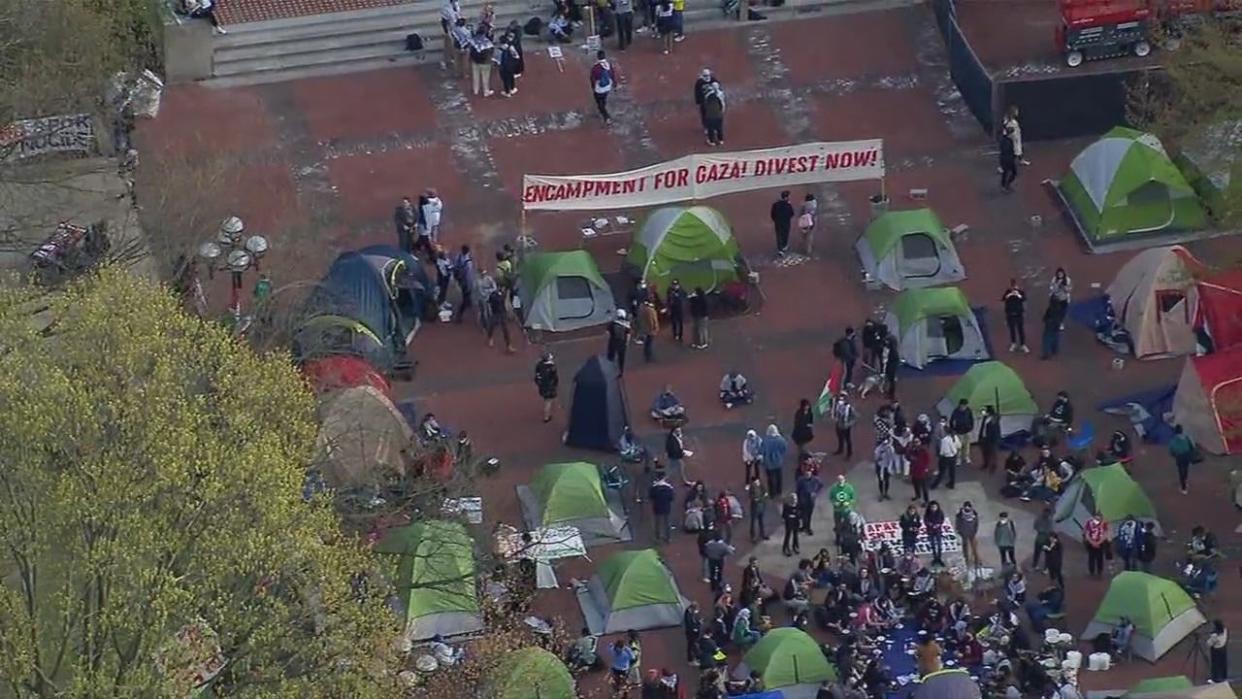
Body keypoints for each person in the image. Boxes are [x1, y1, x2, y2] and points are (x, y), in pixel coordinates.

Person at [1002, 278, 1029, 353]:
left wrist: (1018, 294)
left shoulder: (1020, 292)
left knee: (1020, 329)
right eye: (1012, 286)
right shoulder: (1008, 292)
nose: (1013, 287)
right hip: (1010, 314)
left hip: (1019, 313)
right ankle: (1013, 343)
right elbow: (1004, 298)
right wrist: (1010, 294)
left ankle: (1023, 344)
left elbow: (1023, 298)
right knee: (1012, 329)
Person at [649, 470, 676, 544]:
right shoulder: (669, 487)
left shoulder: (654, 487)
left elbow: (651, 497)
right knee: (667, 522)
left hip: (657, 507)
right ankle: (668, 538)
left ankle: (657, 538)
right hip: (666, 507)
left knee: (657, 523)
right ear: (664, 477)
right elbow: (671, 498)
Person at [589, 50, 616, 124]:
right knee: (603, 99)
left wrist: (593, 87)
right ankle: (603, 108)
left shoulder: (595, 67)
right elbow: (612, 75)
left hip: (599, 88)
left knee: (599, 102)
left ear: (597, 57)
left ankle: (606, 116)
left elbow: (592, 79)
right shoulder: (609, 65)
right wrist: (614, 84)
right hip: (607, 87)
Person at [796, 466, 823, 535]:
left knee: (809, 514)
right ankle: (805, 527)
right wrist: (798, 498)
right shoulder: (801, 480)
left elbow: (821, 485)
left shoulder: (815, 479)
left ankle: (806, 527)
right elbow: (798, 490)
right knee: (804, 514)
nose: (807, 475)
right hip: (803, 499)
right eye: (806, 474)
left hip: (811, 500)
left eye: (809, 474)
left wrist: (815, 492)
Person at [468, 28, 495, 97]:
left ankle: (475, 90)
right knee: (485, 77)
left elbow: (470, 50)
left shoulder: (473, 40)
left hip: (475, 61)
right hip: (485, 63)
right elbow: (491, 52)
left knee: (475, 76)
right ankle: (486, 91)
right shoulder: (488, 42)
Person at [761, 424, 788, 496]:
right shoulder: (781, 440)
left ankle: (772, 493)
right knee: (779, 477)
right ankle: (779, 491)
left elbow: (762, 451)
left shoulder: (765, 440)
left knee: (770, 478)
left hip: (768, 463)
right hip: (778, 461)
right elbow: (784, 449)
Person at [1168, 425, 1195, 495]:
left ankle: (1183, 488)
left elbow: (1171, 450)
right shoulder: (1186, 437)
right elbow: (1191, 446)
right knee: (1186, 469)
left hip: (1179, 456)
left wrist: (1174, 455)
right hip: (1187, 455)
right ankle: (1185, 481)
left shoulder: (1173, 440)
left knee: (1180, 471)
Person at [932, 425, 960, 490]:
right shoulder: (954, 437)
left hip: (945, 458)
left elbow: (942, 451)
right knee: (952, 471)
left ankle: (934, 485)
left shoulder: (944, 440)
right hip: (953, 457)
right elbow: (957, 447)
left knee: (941, 472)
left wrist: (940, 455)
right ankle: (951, 484)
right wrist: (954, 453)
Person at [533, 352, 558, 422]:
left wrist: (539, 383)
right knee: (548, 401)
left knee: (546, 399)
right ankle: (546, 417)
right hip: (549, 386)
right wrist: (555, 384)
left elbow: (537, 376)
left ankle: (547, 411)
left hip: (542, 386)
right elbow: (555, 377)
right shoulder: (552, 366)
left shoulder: (539, 365)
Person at [949, 398, 975, 466]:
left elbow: (971, 419)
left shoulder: (968, 410)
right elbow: (951, 421)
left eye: (965, 406)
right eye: (963, 405)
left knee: (967, 445)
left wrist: (971, 427)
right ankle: (958, 459)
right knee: (959, 446)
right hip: (959, 431)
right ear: (960, 405)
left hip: (967, 431)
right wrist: (953, 429)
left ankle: (966, 457)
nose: (964, 407)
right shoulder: (956, 411)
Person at [831, 392, 857, 459]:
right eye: (840, 399)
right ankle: (840, 449)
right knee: (840, 438)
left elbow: (855, 417)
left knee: (847, 440)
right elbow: (835, 412)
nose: (841, 401)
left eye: (842, 399)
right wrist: (835, 417)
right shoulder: (837, 405)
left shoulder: (849, 407)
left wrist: (849, 423)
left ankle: (849, 453)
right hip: (839, 424)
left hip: (846, 426)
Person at [1083, 512, 1109, 578]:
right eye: (1096, 518)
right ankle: (1091, 571)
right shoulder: (1089, 523)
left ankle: (1099, 571)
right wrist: (1092, 542)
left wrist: (1099, 542)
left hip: (1100, 543)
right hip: (1091, 543)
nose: (1098, 520)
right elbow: (1087, 534)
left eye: (1099, 518)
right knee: (1091, 557)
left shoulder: (1104, 523)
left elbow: (1105, 534)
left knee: (1100, 558)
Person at [956, 501, 981, 570]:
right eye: (966, 506)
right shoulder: (960, 514)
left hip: (972, 533)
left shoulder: (974, 514)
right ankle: (966, 560)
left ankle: (976, 560)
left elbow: (976, 523)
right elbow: (958, 522)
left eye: (968, 506)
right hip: (963, 533)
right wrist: (959, 530)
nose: (967, 508)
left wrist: (975, 531)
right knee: (965, 547)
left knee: (974, 547)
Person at [606, 309, 631, 374]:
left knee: (611, 356)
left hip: (613, 342)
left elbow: (607, 334)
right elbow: (628, 335)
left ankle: (610, 369)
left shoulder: (612, 324)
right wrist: (627, 343)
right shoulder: (626, 324)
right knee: (621, 357)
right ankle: (621, 370)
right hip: (622, 343)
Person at [770, 190, 795, 255]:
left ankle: (780, 249)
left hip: (778, 222)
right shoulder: (788, 205)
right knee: (785, 234)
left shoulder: (775, 204)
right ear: (786, 197)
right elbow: (792, 213)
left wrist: (775, 220)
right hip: (786, 222)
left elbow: (772, 214)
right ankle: (784, 246)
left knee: (779, 235)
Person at [702, 80, 726, 147]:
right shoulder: (720, 94)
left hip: (710, 116)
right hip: (718, 114)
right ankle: (720, 140)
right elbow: (722, 104)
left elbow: (705, 106)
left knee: (711, 129)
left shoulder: (708, 95)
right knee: (719, 128)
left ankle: (711, 141)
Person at [977, 406, 1001, 472]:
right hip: (984, 437)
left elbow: (996, 430)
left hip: (992, 439)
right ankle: (986, 464)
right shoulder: (985, 418)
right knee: (985, 452)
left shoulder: (994, 419)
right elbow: (982, 427)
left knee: (993, 452)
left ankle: (994, 465)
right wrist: (980, 436)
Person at [636, 295, 659, 362]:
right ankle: (649, 357)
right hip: (650, 329)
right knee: (649, 343)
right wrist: (655, 328)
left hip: (644, 328)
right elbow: (653, 320)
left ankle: (647, 356)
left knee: (647, 343)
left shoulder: (641, 308)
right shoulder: (650, 310)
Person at [908, 439, 931, 504]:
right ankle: (918, 495)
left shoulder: (923, 450)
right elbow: (908, 457)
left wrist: (926, 468)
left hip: (922, 471)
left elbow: (928, 459)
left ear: (920, 442)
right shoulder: (912, 450)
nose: (916, 443)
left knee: (924, 487)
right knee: (915, 485)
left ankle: (926, 501)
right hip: (914, 470)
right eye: (915, 442)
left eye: (917, 442)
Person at [924, 501, 947, 567]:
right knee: (933, 546)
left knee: (939, 546)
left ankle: (939, 558)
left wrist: (938, 524)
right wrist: (931, 525)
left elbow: (942, 519)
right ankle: (935, 559)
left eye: (935, 507)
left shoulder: (940, 512)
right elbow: (926, 521)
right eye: (932, 507)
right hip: (930, 531)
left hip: (938, 531)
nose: (934, 508)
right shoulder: (927, 513)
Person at [746, 475, 768, 541]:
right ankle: (753, 536)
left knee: (761, 521)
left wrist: (760, 499)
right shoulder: (752, 488)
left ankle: (762, 534)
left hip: (761, 506)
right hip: (755, 508)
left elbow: (765, 493)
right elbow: (753, 498)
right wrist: (761, 498)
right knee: (753, 522)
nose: (757, 482)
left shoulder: (761, 485)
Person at [664, 279, 686, 343]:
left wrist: (678, 296)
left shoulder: (681, 290)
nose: (674, 286)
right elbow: (668, 298)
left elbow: (684, 297)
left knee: (680, 322)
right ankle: (675, 334)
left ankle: (680, 335)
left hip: (679, 308)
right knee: (673, 322)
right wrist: (668, 307)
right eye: (673, 285)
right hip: (672, 308)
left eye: (676, 285)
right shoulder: (670, 290)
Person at [999, 124, 1018, 193]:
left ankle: (1005, 185)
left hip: (1007, 159)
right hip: (1007, 160)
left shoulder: (1006, 140)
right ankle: (1005, 186)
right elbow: (1006, 151)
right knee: (1007, 173)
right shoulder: (1007, 141)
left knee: (1008, 173)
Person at [781, 492, 800, 556]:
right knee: (788, 535)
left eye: (796, 499)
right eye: (794, 499)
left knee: (795, 534)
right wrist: (790, 516)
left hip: (796, 521)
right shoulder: (786, 505)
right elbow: (784, 515)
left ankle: (795, 546)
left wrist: (797, 515)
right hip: (789, 522)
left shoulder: (797, 504)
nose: (795, 500)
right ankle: (785, 548)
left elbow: (800, 512)